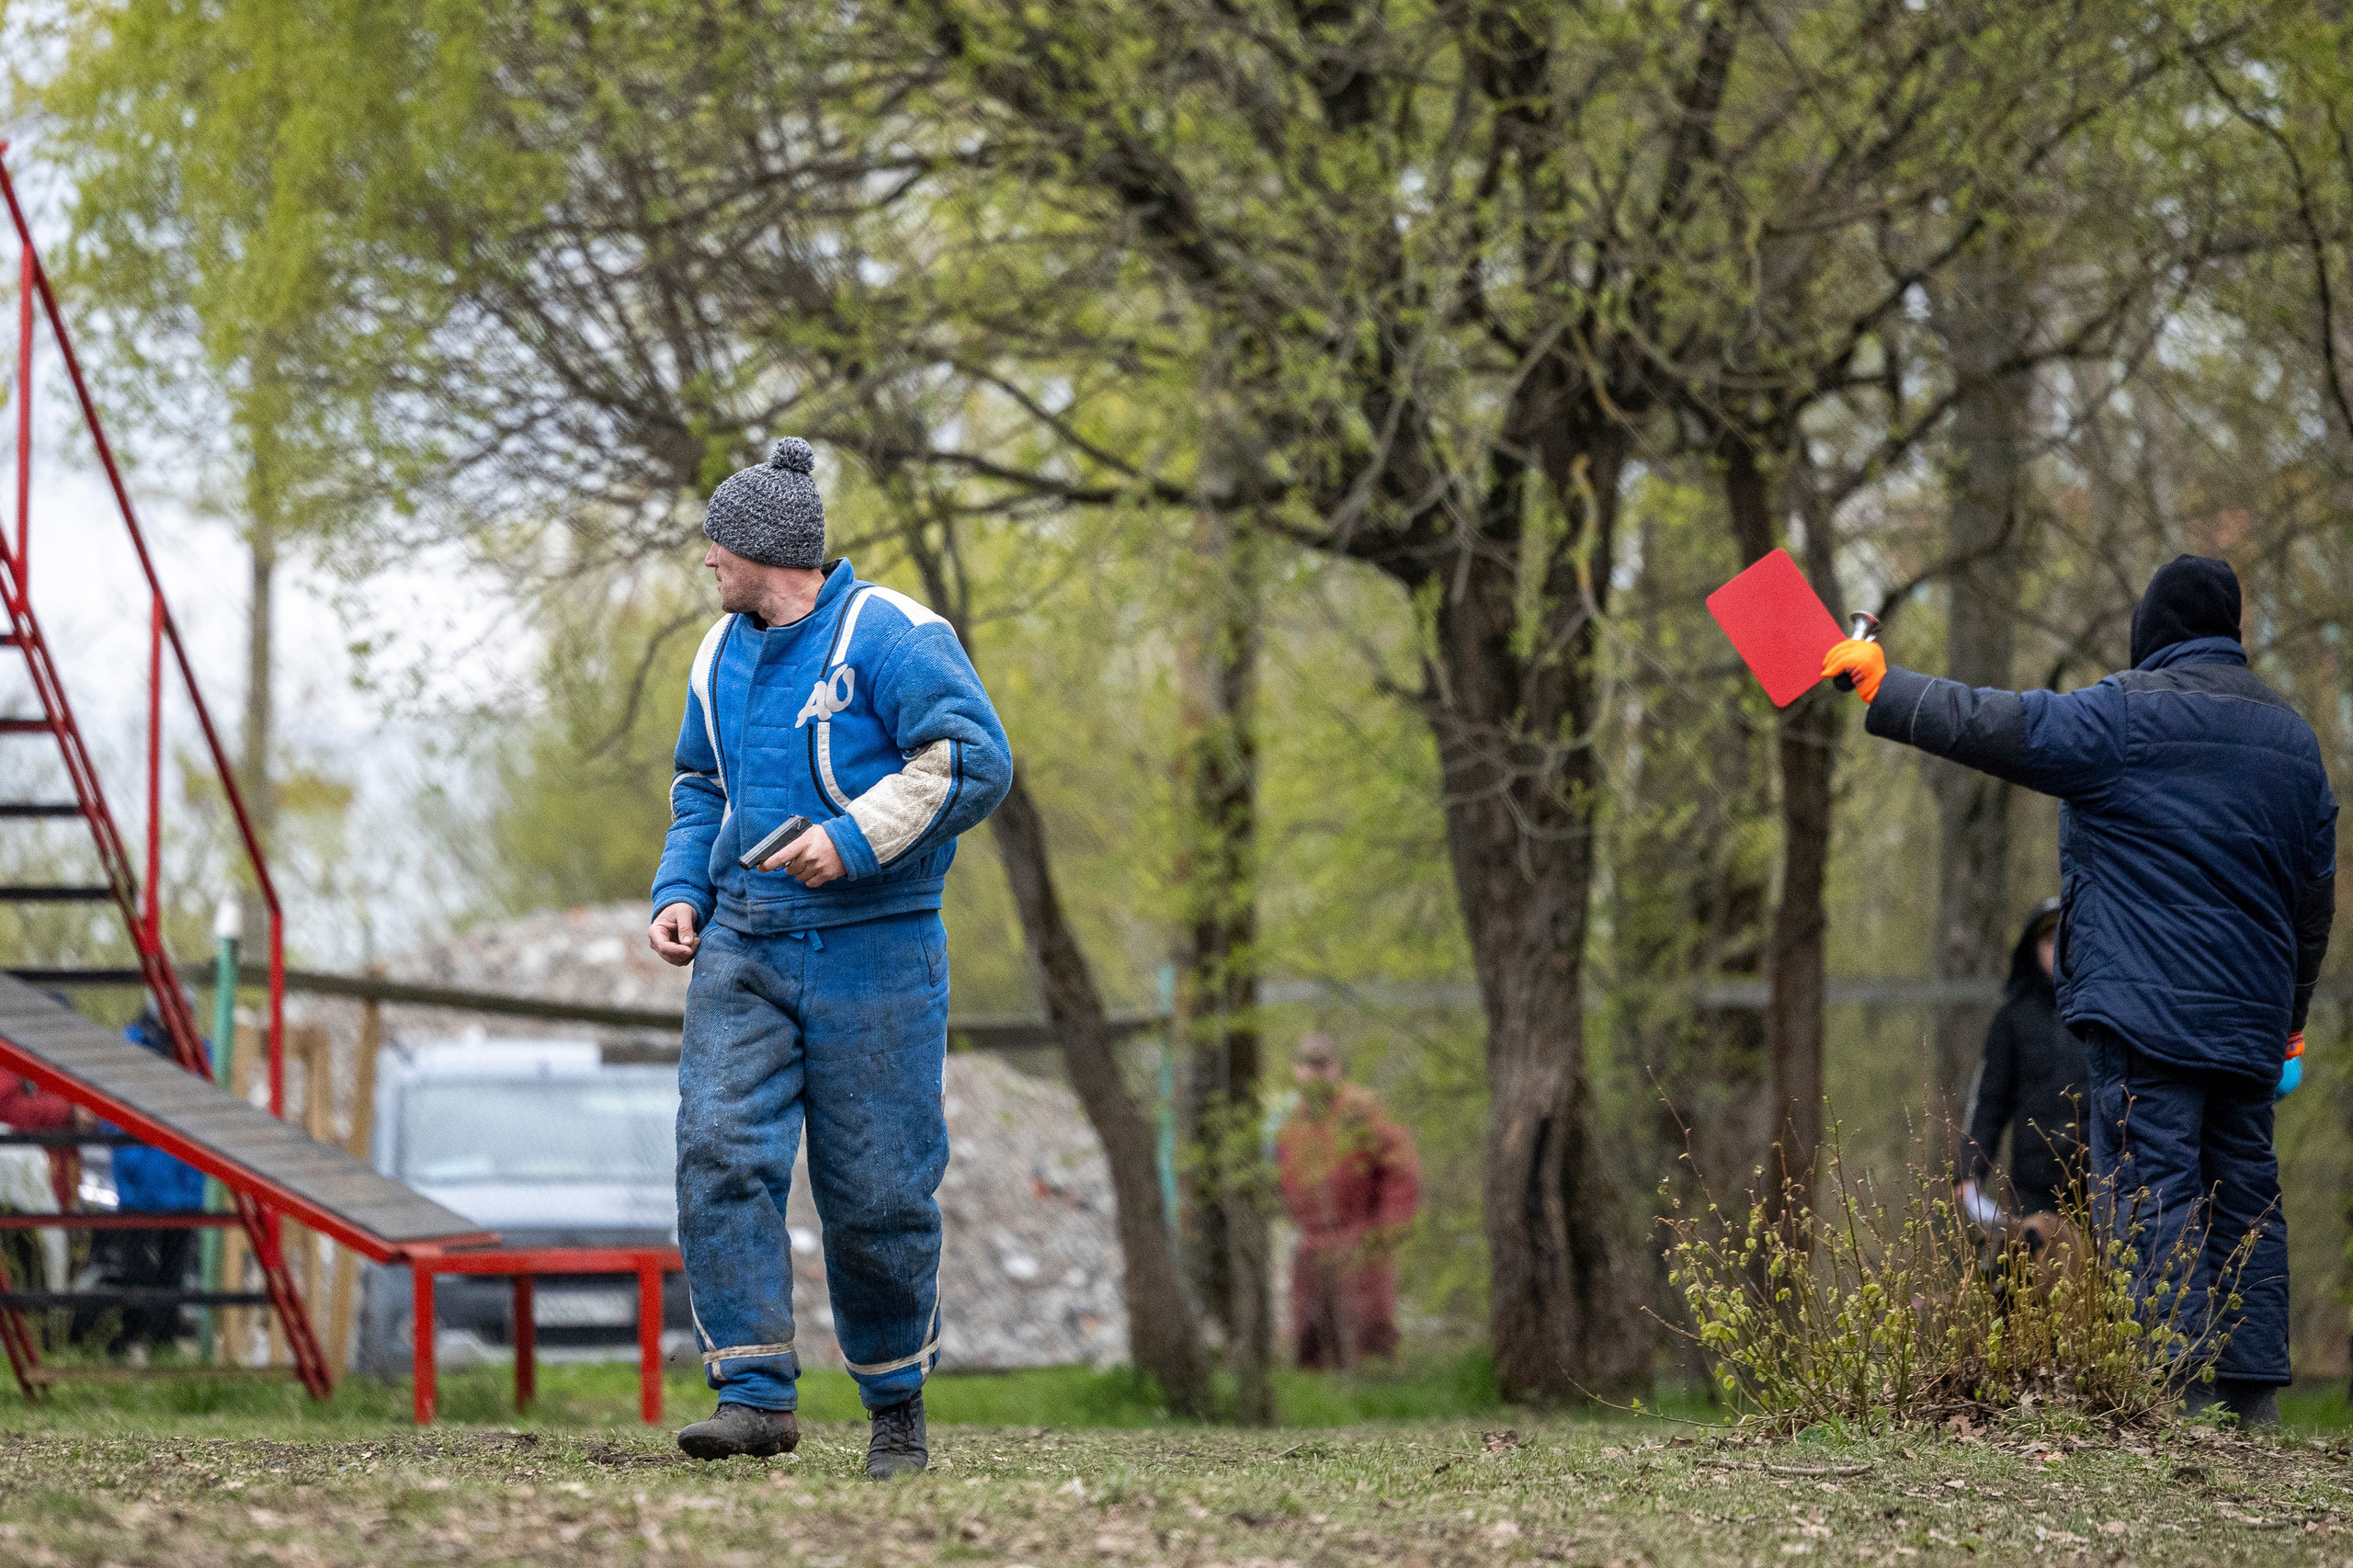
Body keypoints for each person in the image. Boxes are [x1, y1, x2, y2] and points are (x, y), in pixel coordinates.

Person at [1825, 553, 2335, 1427]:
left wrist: (1885, 688)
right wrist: (2288, 1022)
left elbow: (2001, 724)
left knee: (2153, 1187)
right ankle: (2252, 1410)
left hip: (2147, 1012)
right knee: (2246, 1194)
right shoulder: (2293, 742)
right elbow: (2314, 896)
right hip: (2251, 1021)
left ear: (2155, 634)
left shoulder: (2128, 716)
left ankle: (2170, 1400)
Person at [648, 437, 1011, 1476]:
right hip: (745, 941)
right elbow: (700, 787)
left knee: (878, 1191)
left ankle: (895, 1406)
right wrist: (682, 891)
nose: (708, 559)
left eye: (719, 542)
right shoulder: (717, 654)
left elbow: (972, 760)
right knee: (719, 1149)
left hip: (877, 948)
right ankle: (754, 1393)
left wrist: (850, 840)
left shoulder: (893, 633)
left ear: (764, 548)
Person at [1274, 1034, 1420, 1369]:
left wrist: (1388, 1225)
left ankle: (1376, 1397)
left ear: (1337, 1068)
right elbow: (1285, 1178)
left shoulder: (1363, 1109)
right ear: (1296, 1070)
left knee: (1368, 1323)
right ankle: (1317, 1405)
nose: (1315, 1073)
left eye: (1322, 1065)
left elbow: (1400, 1167)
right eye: (1308, 1066)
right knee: (1309, 1328)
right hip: (1312, 1237)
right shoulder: (1293, 1123)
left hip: (1360, 1233)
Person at [1957, 899, 2088, 1225]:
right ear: (2033, 949)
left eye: (2066, 936)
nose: (2058, 948)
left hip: (2101, 1188)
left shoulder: (2102, 1012)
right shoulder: (2012, 1019)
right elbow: (1988, 1102)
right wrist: (1968, 1170)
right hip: (2034, 1193)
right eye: (2048, 940)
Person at [101, 1006, 210, 1350]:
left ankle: (159, 1340)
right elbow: (110, 1110)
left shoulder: (200, 1052)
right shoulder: (129, 1049)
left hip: (179, 1179)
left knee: (172, 1269)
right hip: (147, 1179)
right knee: (139, 1265)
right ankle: (135, 1335)